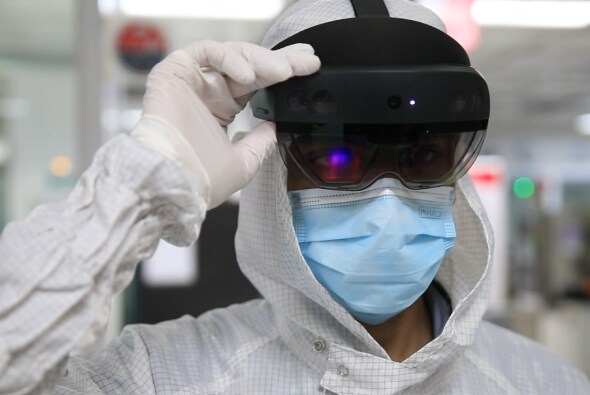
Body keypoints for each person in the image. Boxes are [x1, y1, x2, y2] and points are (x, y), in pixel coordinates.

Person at [1, 0, 589, 393]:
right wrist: (141, 181)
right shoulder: (169, 376)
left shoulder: (542, 382)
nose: (387, 197)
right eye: (337, 158)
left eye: (420, 156)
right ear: (272, 178)